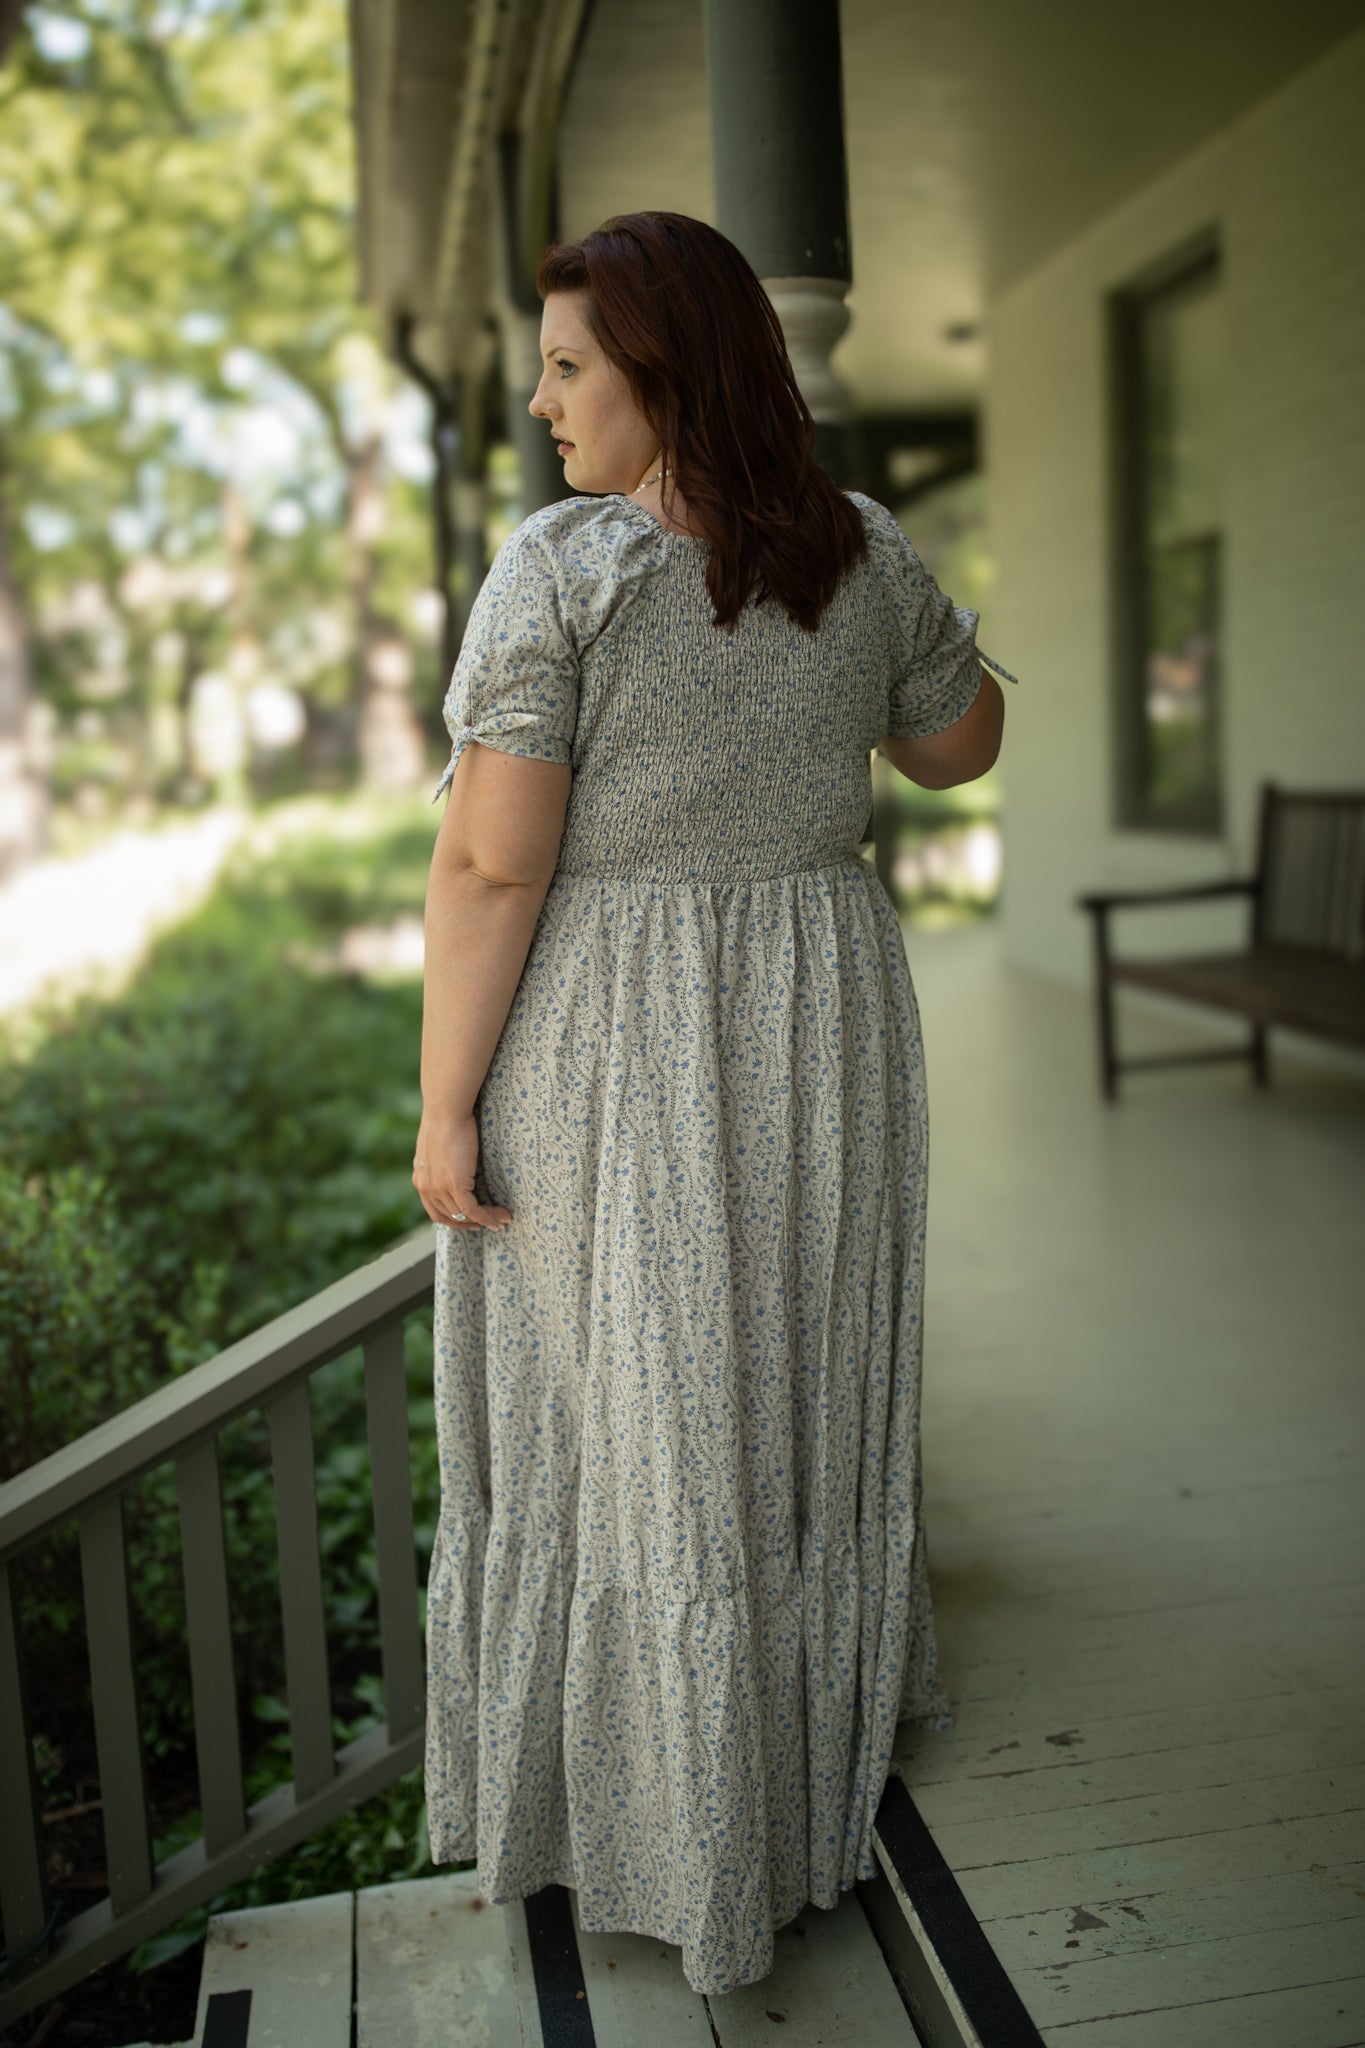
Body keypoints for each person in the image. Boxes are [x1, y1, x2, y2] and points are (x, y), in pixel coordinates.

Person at [411, 209, 1018, 1999]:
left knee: (631, 1417)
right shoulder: (859, 549)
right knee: (788, 1387)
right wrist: (909, 625)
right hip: (823, 1009)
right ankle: (785, 1769)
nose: (541, 404)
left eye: (570, 367)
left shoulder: (567, 568)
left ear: (667, 376)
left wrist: (446, 1110)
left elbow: (495, 868)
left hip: (619, 1038)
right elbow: (960, 740)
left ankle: (674, 1823)